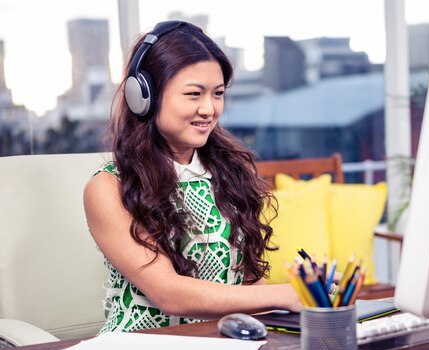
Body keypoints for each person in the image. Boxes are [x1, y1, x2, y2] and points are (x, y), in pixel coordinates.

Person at [83, 21, 301, 333]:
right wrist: (286, 295)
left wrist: (301, 296)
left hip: (227, 344)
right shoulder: (108, 188)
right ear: (144, 96)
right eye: (194, 94)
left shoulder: (233, 172)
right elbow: (169, 294)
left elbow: (251, 287)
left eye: (218, 94)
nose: (209, 109)